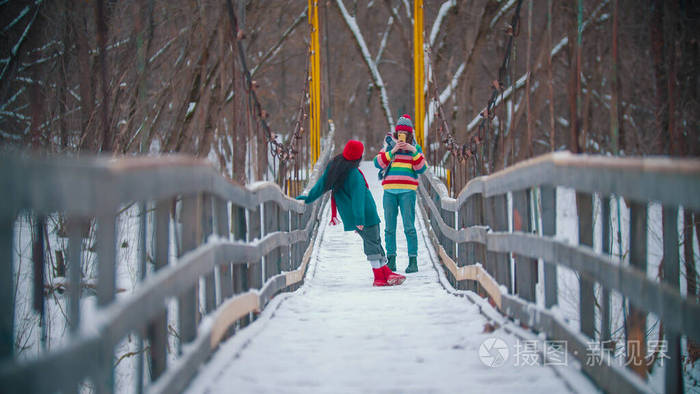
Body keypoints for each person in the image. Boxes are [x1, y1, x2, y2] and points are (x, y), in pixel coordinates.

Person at [296, 140, 406, 287]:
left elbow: (321, 185)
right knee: (373, 244)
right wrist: (360, 219)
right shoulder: (354, 174)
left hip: (356, 215)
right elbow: (358, 198)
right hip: (366, 215)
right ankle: (379, 277)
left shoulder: (334, 167)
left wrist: (308, 198)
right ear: (359, 157)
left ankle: (386, 273)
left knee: (374, 242)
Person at [374, 114, 428, 273]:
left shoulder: (415, 148)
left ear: (410, 134)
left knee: (409, 227)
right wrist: (393, 151)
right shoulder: (389, 145)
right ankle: (391, 260)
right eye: (400, 133)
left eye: (406, 133)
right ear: (396, 133)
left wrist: (413, 151)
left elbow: (422, 168)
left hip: (408, 192)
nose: (402, 136)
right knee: (389, 228)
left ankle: (413, 262)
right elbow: (378, 163)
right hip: (389, 191)